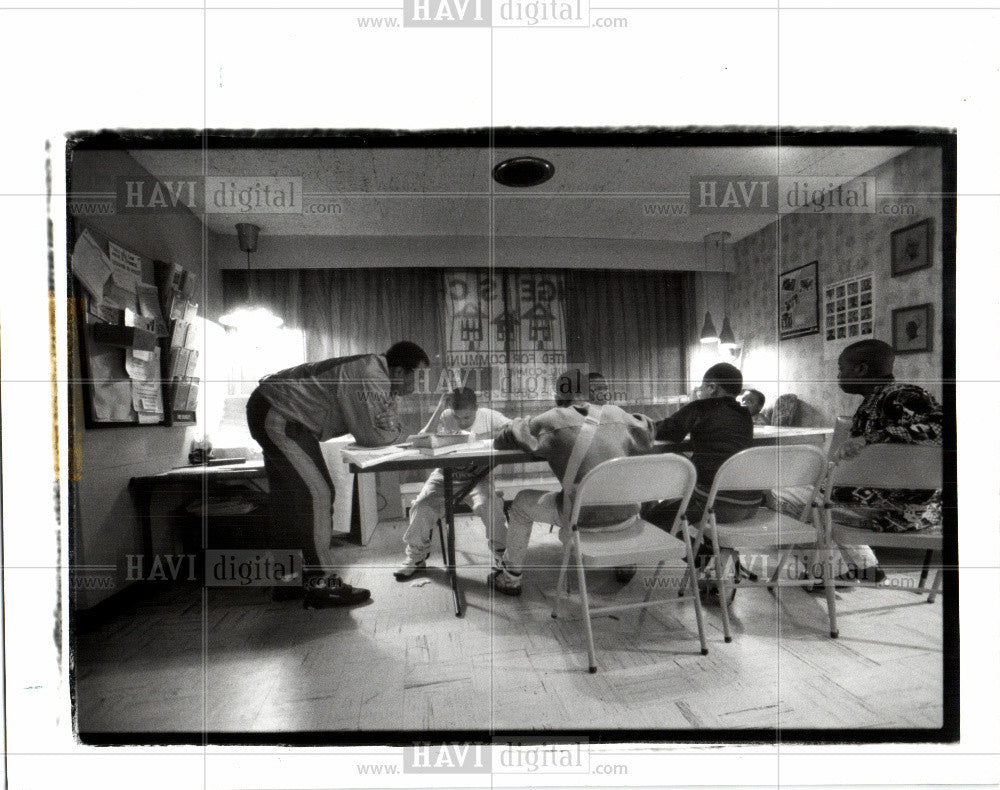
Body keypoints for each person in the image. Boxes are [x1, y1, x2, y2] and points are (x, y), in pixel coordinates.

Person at [246, 341, 430, 607]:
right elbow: (374, 435)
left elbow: (385, 423)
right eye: (419, 375)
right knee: (318, 495)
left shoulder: (377, 375)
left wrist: (391, 426)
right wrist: (396, 433)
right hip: (281, 414)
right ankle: (323, 584)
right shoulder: (371, 374)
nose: (419, 384)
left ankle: (288, 581)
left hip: (276, 409)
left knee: (290, 502)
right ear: (400, 371)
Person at [487, 370, 656, 596]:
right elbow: (648, 429)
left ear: (559, 395)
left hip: (583, 519)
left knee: (520, 503)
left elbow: (502, 440)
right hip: (629, 517)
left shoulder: (553, 418)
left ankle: (510, 579)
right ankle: (625, 563)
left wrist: (519, 423)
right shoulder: (617, 413)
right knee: (608, 491)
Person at [816, 338, 943, 583]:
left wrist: (869, 439)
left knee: (790, 498)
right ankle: (857, 569)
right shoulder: (875, 401)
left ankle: (837, 572)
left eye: (842, 369)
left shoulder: (901, 395)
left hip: (902, 512)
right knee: (811, 497)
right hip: (891, 506)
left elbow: (943, 427)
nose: (839, 375)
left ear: (861, 369)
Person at [393, 387, 512, 580]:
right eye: (458, 417)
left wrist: (490, 437)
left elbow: (518, 428)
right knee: (421, 506)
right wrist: (440, 408)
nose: (463, 422)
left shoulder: (489, 416)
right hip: (444, 475)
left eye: (467, 418)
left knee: (489, 505)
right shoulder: (446, 415)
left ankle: (502, 556)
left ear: (477, 408)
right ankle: (416, 557)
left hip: (478, 477)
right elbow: (421, 439)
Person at [643, 363, 760, 530]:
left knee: (653, 519)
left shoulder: (701, 407)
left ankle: (686, 552)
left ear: (712, 388)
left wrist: (638, 422)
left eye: (701, 388)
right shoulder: (744, 414)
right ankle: (702, 552)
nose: (700, 393)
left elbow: (667, 431)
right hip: (752, 503)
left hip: (715, 504)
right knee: (681, 501)